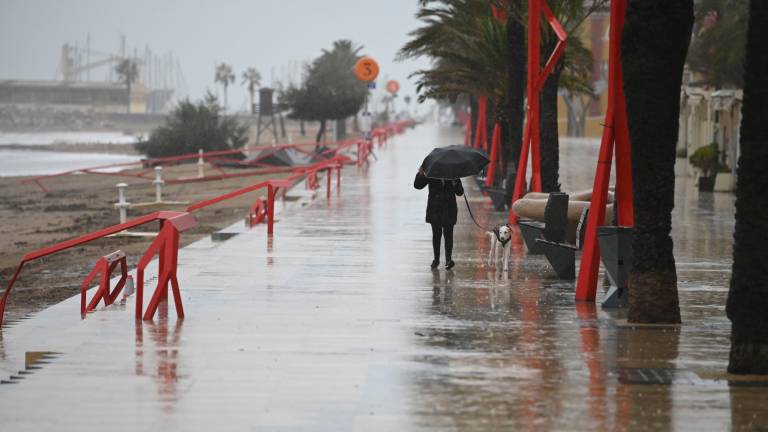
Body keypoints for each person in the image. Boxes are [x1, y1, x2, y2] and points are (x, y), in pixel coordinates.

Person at [414, 167, 464, 269]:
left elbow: (460, 192)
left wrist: (455, 182)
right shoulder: (431, 171)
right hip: (435, 208)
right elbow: (418, 185)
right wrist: (421, 174)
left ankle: (448, 260)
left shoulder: (453, 173)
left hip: (449, 208)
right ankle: (436, 259)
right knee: (436, 235)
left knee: (448, 235)